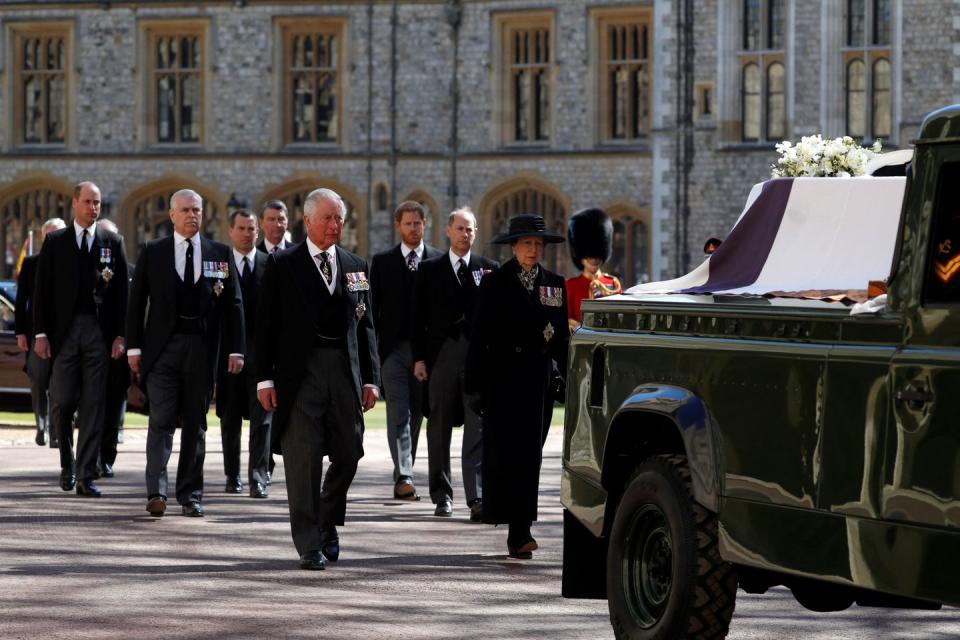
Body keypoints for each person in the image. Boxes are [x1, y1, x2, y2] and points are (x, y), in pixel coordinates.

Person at [256, 188, 380, 571]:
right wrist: (264, 380)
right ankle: (309, 543)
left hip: (344, 372)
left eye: (339, 218)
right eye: (327, 218)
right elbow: (265, 326)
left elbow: (367, 327)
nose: (334, 225)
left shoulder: (355, 264)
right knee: (303, 460)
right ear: (307, 221)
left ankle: (327, 520)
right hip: (300, 375)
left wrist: (372, 378)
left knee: (350, 451)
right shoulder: (282, 265)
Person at [126, 189, 244, 518]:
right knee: (161, 421)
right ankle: (156, 491)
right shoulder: (154, 251)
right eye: (186, 210)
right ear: (172, 214)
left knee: (196, 424)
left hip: (202, 350)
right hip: (162, 349)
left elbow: (234, 305)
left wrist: (237, 349)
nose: (192, 215)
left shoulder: (220, 253)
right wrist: (134, 347)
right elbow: (136, 305)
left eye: (197, 210)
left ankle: (191, 494)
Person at [465, 213, 569, 559]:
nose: (533, 250)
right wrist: (475, 385)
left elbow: (562, 341)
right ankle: (512, 525)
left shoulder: (554, 284)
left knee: (530, 456)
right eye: (527, 244)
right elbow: (478, 336)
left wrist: (568, 378)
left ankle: (520, 527)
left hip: (537, 380)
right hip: (503, 377)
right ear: (513, 247)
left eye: (538, 244)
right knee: (504, 453)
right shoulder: (495, 283)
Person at [33, 182, 129, 497]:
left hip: (98, 334)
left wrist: (120, 335)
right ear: (74, 203)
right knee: (62, 399)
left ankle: (86, 474)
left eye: (97, 203)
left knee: (94, 404)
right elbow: (41, 291)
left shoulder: (112, 242)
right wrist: (41, 333)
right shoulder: (56, 242)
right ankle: (67, 463)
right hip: (64, 333)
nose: (92, 208)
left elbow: (120, 296)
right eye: (87, 202)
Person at [412, 207, 497, 520]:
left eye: (470, 229)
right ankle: (442, 495)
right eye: (460, 229)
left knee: (477, 427)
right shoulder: (429, 269)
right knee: (439, 428)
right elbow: (417, 319)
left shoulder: (489, 269)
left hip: (476, 360)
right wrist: (419, 358)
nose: (466, 234)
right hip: (441, 358)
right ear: (448, 231)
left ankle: (476, 497)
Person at [370, 201, 441, 500]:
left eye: (418, 223)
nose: (413, 228)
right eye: (408, 223)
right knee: (398, 412)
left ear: (425, 224)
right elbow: (373, 310)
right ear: (398, 226)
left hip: (425, 352)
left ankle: (405, 469)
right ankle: (404, 477)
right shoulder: (382, 262)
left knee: (416, 415)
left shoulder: (438, 261)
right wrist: (377, 355)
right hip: (393, 352)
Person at [216, 209, 271, 499]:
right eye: (242, 228)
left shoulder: (269, 263)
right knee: (230, 417)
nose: (247, 233)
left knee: (262, 419)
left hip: (261, 356)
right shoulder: (219, 264)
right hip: (228, 355)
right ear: (231, 231)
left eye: (252, 229)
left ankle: (258, 478)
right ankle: (232, 474)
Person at [15, 217, 66, 448]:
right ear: (44, 237)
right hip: (36, 334)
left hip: (64, 336)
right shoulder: (31, 263)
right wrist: (20, 333)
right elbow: (21, 300)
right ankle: (42, 425)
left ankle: (56, 431)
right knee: (38, 381)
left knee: (60, 384)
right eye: (51, 234)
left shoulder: (70, 264)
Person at [94, 218, 131, 479]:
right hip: (89, 343)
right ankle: (87, 455)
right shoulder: (88, 269)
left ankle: (106, 456)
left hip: (117, 347)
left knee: (113, 403)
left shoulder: (132, 271)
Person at [566, 208, 621, 331]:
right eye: (589, 256)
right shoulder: (571, 285)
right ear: (581, 257)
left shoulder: (612, 283)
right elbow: (567, 317)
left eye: (596, 256)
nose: (593, 260)